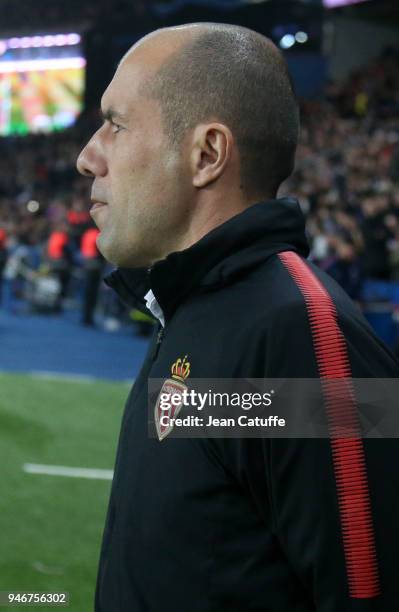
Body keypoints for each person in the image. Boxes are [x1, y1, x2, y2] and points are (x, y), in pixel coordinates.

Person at [77, 23, 399, 612]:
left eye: (116, 125)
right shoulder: (194, 307)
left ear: (206, 155)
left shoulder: (299, 334)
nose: (88, 156)